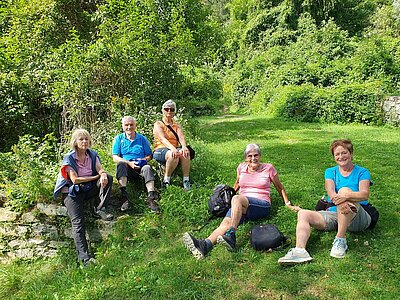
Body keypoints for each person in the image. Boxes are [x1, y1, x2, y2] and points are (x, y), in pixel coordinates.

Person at [182, 143, 297, 259]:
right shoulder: (241, 167)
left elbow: (279, 187)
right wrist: (228, 198)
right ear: (245, 158)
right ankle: (204, 245)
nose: (253, 158)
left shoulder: (268, 168)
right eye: (249, 156)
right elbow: (237, 183)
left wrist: (288, 204)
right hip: (241, 203)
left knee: (237, 198)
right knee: (225, 223)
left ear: (260, 156)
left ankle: (231, 234)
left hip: (261, 204)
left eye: (256, 155)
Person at [278, 139, 373, 265]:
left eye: (344, 153)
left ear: (351, 153)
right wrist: (340, 201)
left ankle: (340, 239)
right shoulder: (330, 172)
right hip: (336, 213)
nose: (341, 157)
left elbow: (364, 194)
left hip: (357, 216)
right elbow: (331, 192)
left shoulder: (362, 172)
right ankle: (300, 251)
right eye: (337, 154)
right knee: (303, 214)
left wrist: (346, 196)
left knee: (345, 191)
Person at [54, 129, 113, 266]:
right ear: (75, 142)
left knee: (108, 178)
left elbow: (100, 168)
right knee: (78, 223)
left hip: (87, 188)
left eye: (86, 139)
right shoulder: (69, 158)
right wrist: (95, 177)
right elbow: (74, 180)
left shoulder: (92, 154)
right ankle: (85, 258)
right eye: (81, 139)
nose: (84, 142)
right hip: (71, 193)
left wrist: (102, 174)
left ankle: (100, 209)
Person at [112, 116, 159, 213]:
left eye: (131, 125)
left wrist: (143, 160)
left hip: (140, 167)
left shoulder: (142, 139)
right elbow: (115, 157)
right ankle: (124, 197)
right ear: (123, 126)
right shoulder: (118, 139)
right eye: (126, 125)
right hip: (127, 168)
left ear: (135, 126)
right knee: (121, 164)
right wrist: (129, 163)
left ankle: (151, 197)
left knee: (147, 167)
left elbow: (149, 155)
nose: (129, 127)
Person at [153, 99, 191, 191]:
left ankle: (186, 180)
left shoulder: (176, 124)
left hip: (174, 147)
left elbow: (181, 137)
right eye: (167, 109)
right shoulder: (158, 124)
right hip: (161, 149)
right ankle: (166, 180)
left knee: (185, 153)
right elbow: (162, 138)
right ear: (163, 110)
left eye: (172, 109)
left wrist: (184, 147)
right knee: (172, 154)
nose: (169, 111)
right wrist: (173, 148)